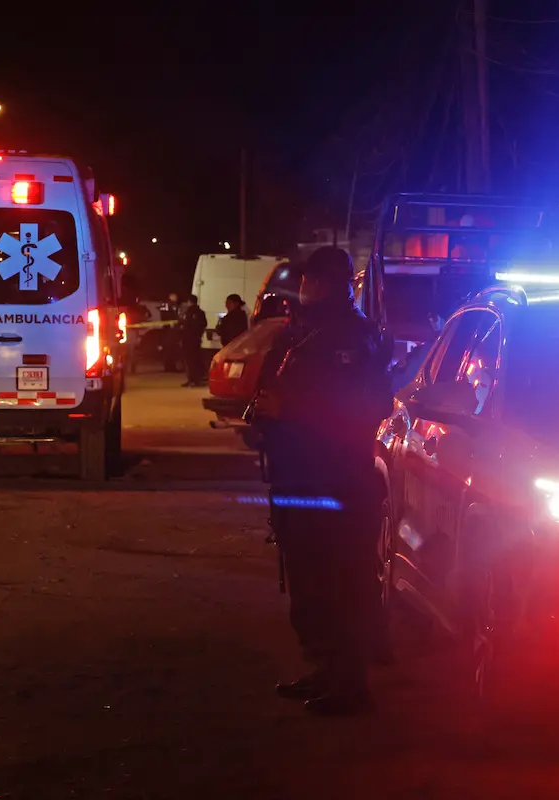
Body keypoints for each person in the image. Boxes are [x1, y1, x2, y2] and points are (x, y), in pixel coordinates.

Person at [250, 246, 393, 716]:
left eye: (316, 279)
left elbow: (363, 409)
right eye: (307, 279)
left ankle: (349, 683)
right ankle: (323, 669)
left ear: (335, 283)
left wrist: (288, 410)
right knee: (308, 585)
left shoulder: (352, 337)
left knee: (340, 583)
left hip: (337, 482)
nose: (307, 287)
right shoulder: (301, 331)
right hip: (297, 478)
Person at [390, 309, 445, 394]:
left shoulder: (430, 351)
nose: (432, 322)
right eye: (430, 318)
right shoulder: (427, 350)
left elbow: (402, 380)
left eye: (433, 317)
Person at [179, 294, 209, 387]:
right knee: (196, 359)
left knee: (190, 360)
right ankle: (196, 379)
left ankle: (193, 379)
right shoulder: (201, 312)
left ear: (189, 302)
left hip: (189, 340)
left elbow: (186, 326)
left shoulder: (189, 312)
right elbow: (204, 324)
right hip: (196, 339)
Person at [163, 292, 183, 373]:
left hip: (173, 330)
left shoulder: (174, 305)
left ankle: (171, 365)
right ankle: (169, 366)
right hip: (170, 330)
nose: (176, 298)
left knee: (173, 348)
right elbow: (166, 316)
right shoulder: (169, 305)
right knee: (170, 348)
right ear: (171, 297)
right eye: (175, 296)